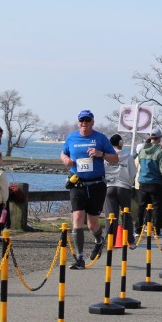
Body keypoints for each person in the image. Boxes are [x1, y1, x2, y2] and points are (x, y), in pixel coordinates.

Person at [60, 110, 118, 269]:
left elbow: (115, 158)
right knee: (77, 217)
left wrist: (101, 154)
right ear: (78, 122)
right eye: (81, 120)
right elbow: (63, 153)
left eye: (87, 120)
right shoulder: (71, 138)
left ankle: (99, 240)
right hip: (77, 183)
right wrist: (66, 159)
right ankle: (79, 258)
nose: (84, 123)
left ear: (92, 122)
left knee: (92, 223)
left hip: (96, 185)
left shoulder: (101, 138)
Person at [135, 128, 162, 239]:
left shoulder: (142, 150)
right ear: (159, 138)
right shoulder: (160, 152)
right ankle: (157, 230)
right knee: (157, 207)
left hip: (143, 181)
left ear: (150, 137)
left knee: (141, 206)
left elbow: (140, 163)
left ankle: (137, 229)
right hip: (156, 182)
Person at [104, 133, 136, 245]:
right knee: (126, 214)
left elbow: (102, 171)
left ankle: (110, 239)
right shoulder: (128, 157)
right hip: (124, 187)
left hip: (110, 186)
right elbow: (133, 173)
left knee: (111, 215)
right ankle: (129, 239)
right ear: (121, 143)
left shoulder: (106, 157)